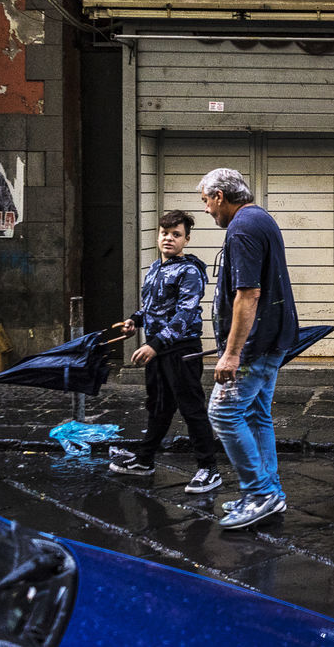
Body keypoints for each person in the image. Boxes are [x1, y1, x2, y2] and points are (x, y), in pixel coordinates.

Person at [199, 168, 299, 530]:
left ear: (221, 196)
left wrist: (231, 352)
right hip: (272, 339)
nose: (207, 209)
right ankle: (270, 491)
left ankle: (260, 494)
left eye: (207, 201)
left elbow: (248, 293)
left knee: (223, 413)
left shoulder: (241, 228)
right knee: (257, 414)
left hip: (255, 346)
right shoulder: (261, 218)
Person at [109, 210, 220, 494]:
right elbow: (151, 307)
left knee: (191, 408)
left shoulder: (190, 271)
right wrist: (135, 320)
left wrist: (154, 345)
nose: (168, 239)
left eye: (176, 235)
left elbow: (183, 316)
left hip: (181, 350)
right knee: (158, 406)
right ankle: (145, 460)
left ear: (187, 239)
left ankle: (209, 469)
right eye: (164, 233)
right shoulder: (155, 267)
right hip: (157, 350)